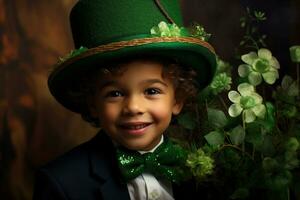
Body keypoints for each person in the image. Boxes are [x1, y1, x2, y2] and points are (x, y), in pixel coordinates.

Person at [32, 0, 216, 199]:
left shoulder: (203, 173)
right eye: (115, 94)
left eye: (152, 91)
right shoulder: (62, 183)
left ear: (177, 100)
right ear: (93, 103)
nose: (133, 107)